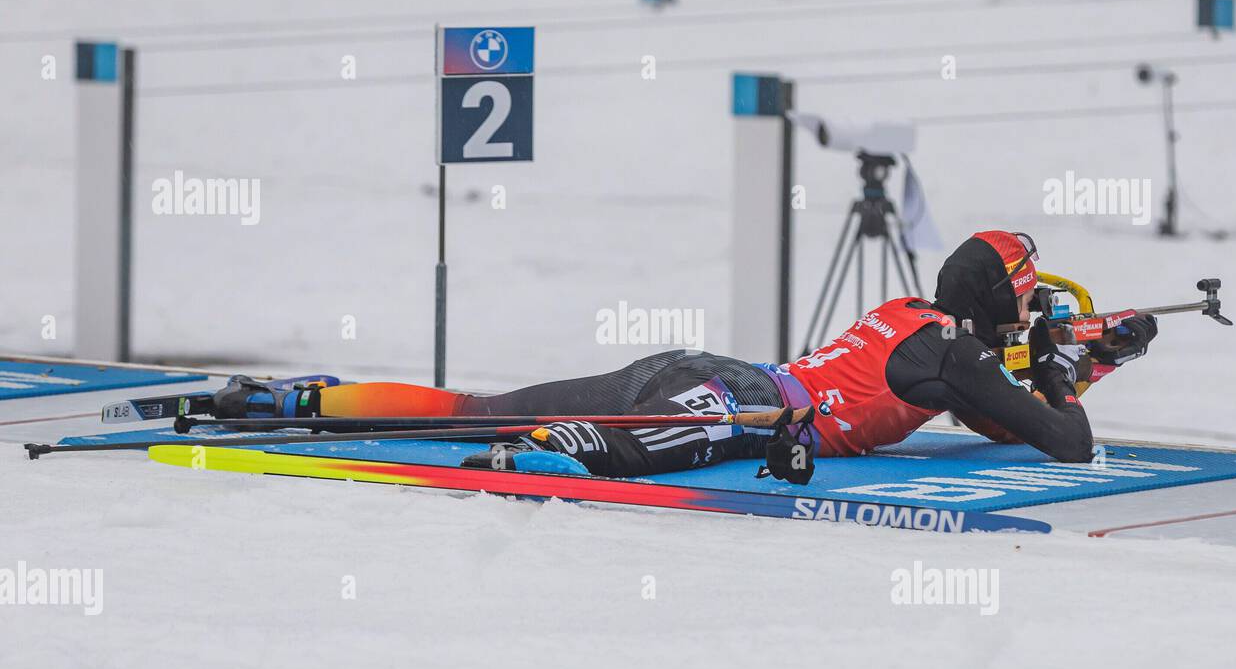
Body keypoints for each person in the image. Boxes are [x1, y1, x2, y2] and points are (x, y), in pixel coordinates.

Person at [215, 231, 1157, 477]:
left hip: (719, 372)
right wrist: (1068, 365)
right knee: (620, 440)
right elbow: (1057, 438)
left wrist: (1092, 353)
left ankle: (306, 403)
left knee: (479, 400)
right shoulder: (955, 354)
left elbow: (998, 415)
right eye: (1028, 300)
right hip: (743, 405)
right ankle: (549, 454)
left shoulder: (913, 314)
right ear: (998, 306)